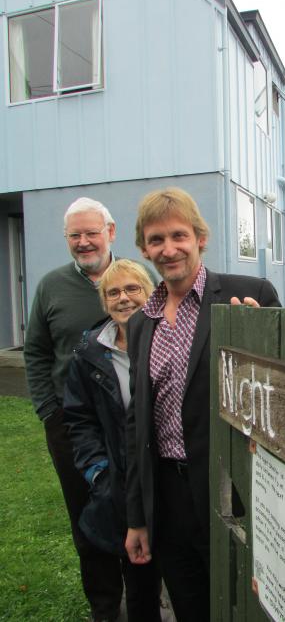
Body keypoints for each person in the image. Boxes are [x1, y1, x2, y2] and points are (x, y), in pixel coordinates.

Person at [124, 187, 281, 622]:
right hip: (168, 495)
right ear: (143, 248)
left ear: (200, 238)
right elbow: (137, 425)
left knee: (243, 603)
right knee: (191, 603)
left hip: (230, 487)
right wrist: (138, 516)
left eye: (179, 236)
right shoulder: (142, 323)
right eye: (156, 240)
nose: (168, 249)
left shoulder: (247, 295)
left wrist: (262, 336)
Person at [24, 198, 125, 622]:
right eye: (75, 235)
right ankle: (105, 607)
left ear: (111, 232)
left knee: (141, 505)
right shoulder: (51, 286)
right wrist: (50, 410)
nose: (84, 242)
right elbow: (36, 351)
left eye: (91, 232)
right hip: (70, 425)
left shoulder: (137, 279)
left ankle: (145, 596)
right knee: (86, 514)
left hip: (129, 420)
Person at [64, 259, 162, 622]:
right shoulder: (89, 352)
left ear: (149, 294)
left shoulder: (169, 340)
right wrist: (99, 474)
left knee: (183, 575)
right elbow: (79, 417)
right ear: (104, 301)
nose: (124, 298)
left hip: (169, 477)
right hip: (121, 483)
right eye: (113, 292)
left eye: (133, 289)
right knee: (138, 576)